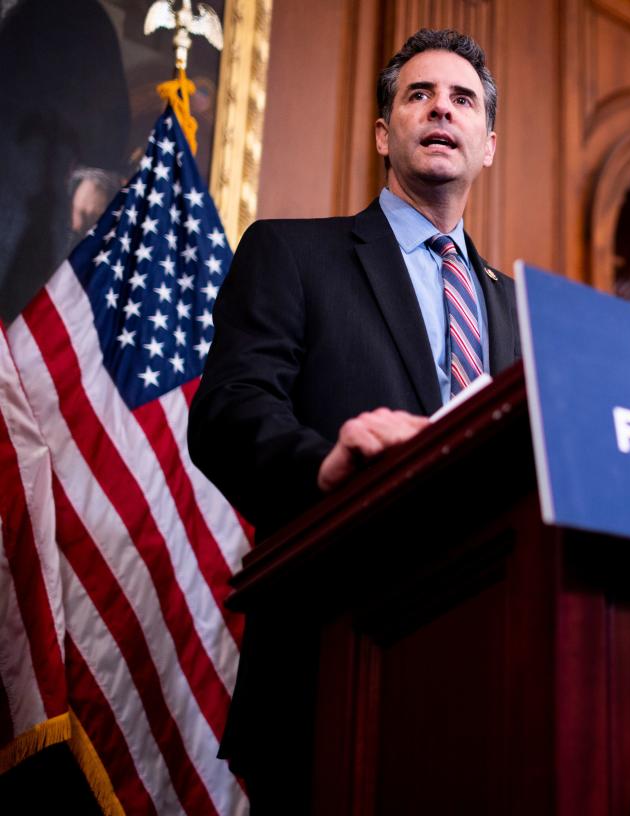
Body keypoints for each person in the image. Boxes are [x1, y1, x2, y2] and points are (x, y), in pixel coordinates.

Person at [187, 29, 520, 806]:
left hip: (491, 676)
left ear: (489, 144)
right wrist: (320, 464)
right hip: (331, 659)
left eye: (462, 99)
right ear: (383, 132)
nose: (442, 108)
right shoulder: (291, 254)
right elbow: (228, 410)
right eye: (419, 95)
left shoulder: (522, 310)